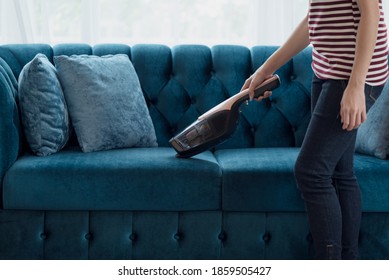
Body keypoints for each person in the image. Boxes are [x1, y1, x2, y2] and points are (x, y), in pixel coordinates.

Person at [241, 0, 388, 259]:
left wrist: (356, 86)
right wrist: (265, 69)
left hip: (350, 75)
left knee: (310, 172)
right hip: (327, 70)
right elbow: (315, 18)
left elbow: (370, 12)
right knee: (340, 173)